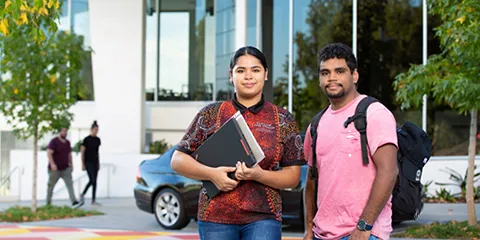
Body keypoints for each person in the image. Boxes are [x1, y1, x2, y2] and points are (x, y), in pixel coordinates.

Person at [171, 46, 305, 240]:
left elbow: (293, 178)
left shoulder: (283, 118)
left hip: (264, 218)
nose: (248, 76)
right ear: (231, 76)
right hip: (215, 218)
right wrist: (212, 174)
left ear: (266, 74)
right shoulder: (210, 114)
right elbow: (177, 160)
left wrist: (259, 175)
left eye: (255, 70)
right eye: (241, 70)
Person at [303, 43, 399, 240]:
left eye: (340, 71)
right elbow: (311, 181)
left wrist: (364, 225)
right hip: (322, 235)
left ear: (354, 75)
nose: (331, 78)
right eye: (325, 72)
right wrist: (308, 229)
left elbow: (389, 172)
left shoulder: (374, 114)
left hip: (363, 233)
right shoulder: (316, 124)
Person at [46, 127, 83, 208]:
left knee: (70, 184)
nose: (65, 133)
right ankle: (48, 203)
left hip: (65, 168)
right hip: (55, 169)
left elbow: (69, 154)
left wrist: (71, 165)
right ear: (60, 132)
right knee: (51, 186)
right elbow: (49, 152)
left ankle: (74, 201)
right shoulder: (54, 141)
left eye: (66, 131)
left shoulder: (67, 143)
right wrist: (52, 164)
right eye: (63, 131)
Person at [80, 121, 102, 206]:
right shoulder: (86, 140)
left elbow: (97, 152)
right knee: (92, 179)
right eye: (95, 130)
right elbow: (82, 152)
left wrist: (99, 162)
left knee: (95, 181)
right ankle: (83, 193)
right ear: (91, 130)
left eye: (97, 130)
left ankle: (93, 199)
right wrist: (82, 163)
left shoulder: (98, 140)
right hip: (88, 162)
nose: (96, 131)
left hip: (95, 162)